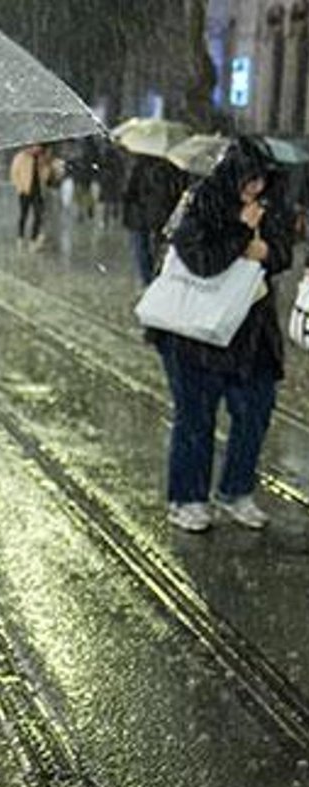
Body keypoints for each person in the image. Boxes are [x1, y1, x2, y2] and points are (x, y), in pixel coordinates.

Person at [147, 137, 291, 533]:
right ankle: (187, 498)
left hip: (252, 331)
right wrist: (241, 234)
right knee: (196, 416)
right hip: (195, 330)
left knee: (255, 411)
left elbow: (283, 253)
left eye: (261, 179)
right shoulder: (200, 203)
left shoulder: (269, 205)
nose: (255, 188)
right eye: (248, 179)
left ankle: (236, 490)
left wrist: (266, 251)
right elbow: (200, 260)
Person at [123, 153, 189, 284]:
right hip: (157, 216)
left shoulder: (142, 166)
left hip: (149, 216)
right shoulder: (175, 168)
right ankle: (154, 279)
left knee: (145, 250)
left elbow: (130, 192)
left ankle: (150, 280)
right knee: (153, 250)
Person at [9, 144, 57, 248]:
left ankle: (33, 238)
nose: (38, 149)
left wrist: (46, 164)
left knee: (38, 215)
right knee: (24, 215)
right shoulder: (21, 157)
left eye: (40, 147)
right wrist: (20, 188)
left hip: (38, 191)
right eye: (36, 147)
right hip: (25, 191)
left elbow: (46, 176)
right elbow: (14, 173)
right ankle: (20, 237)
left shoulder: (42, 158)